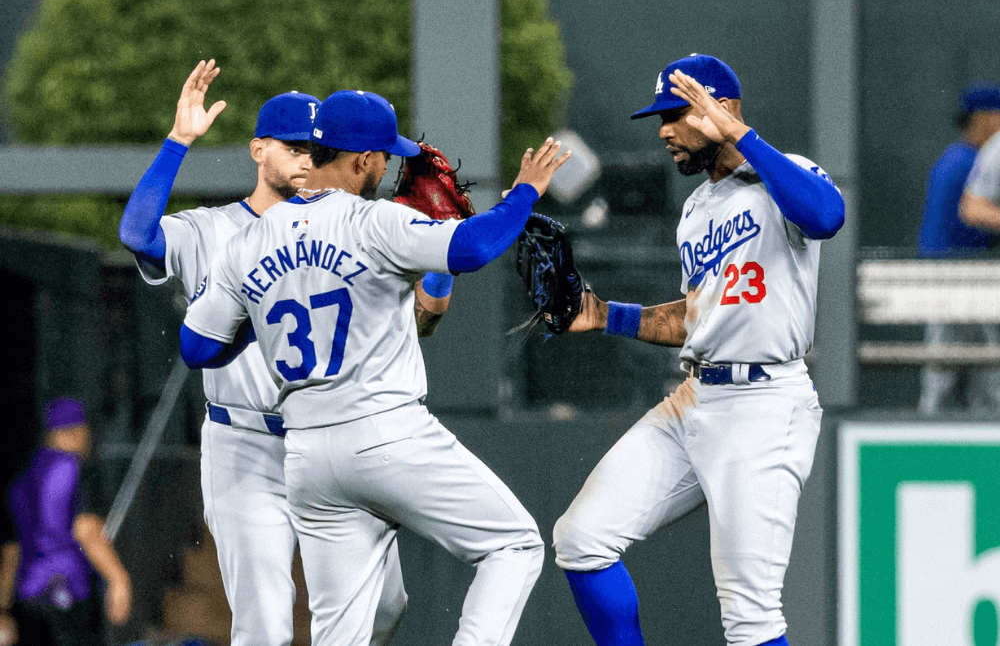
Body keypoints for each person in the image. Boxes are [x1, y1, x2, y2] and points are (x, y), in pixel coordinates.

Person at [178, 88, 570, 646]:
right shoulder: (375, 222)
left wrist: (255, 320)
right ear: (362, 160)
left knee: (343, 635)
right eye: (386, 157)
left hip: (308, 456)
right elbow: (476, 247)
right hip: (388, 435)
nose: (389, 168)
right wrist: (525, 193)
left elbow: (196, 348)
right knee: (515, 545)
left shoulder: (249, 240)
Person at [551, 54, 845, 646]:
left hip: (764, 405)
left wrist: (738, 135)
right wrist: (604, 314)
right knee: (581, 540)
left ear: (722, 109)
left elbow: (826, 217)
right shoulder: (696, 210)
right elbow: (696, 318)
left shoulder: (787, 173)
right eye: (661, 117)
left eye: (677, 113)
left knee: (750, 615)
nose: (663, 130)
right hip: (694, 397)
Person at [118, 61, 409, 646]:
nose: (307, 159)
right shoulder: (211, 229)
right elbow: (138, 235)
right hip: (244, 443)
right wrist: (178, 142)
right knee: (265, 623)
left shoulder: (347, 227)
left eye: (315, 148)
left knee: (385, 603)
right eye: (294, 146)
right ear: (257, 150)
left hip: (333, 434)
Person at [2, 398, 132, 646]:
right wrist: (118, 579)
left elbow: (12, 549)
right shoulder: (71, 468)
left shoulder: (23, 479)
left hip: (28, 599)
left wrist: (3, 608)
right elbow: (85, 529)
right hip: (67, 592)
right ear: (76, 430)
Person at [916, 81, 1000, 415]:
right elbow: (973, 212)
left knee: (952, 371)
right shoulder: (968, 161)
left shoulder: (955, 156)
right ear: (984, 118)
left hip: (952, 274)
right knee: (959, 373)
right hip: (959, 275)